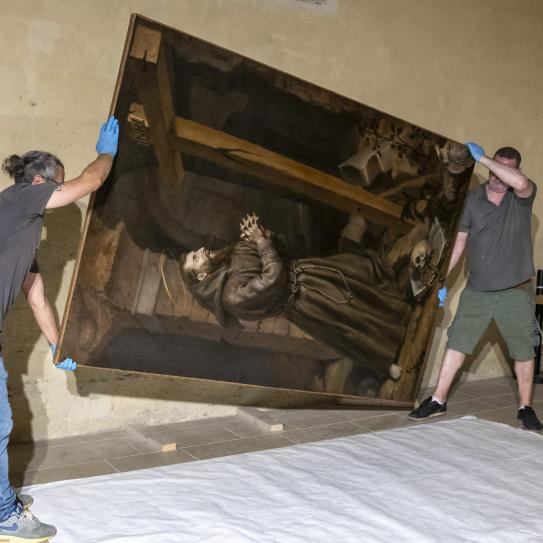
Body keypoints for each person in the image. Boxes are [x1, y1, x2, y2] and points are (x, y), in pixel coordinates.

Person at [0, 117, 119, 540]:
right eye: (58, 185)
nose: (62, 193)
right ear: (39, 181)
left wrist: (56, 344)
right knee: (0, 424)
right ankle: (4, 515)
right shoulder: (19, 198)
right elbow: (90, 181)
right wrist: (106, 154)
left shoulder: (20, 230)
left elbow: (37, 298)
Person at [179, 213, 427, 384]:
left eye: (195, 252)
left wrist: (261, 233)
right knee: (347, 322)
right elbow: (273, 279)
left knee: (360, 277)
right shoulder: (231, 296)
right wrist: (261, 241)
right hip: (304, 301)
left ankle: (398, 310)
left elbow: (280, 247)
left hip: (308, 273)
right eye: (195, 258)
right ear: (201, 276)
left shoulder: (231, 256)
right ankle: (385, 360)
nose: (200, 251)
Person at [409, 142, 542, 431]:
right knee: (457, 343)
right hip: (477, 291)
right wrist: (439, 281)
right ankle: (438, 399)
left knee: (523, 351)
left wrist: (483, 159)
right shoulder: (472, 199)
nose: (497, 176)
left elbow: (520, 183)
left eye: (505, 170)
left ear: (516, 171)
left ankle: (526, 408)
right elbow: (458, 244)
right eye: (495, 169)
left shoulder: (522, 197)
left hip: (515, 292)